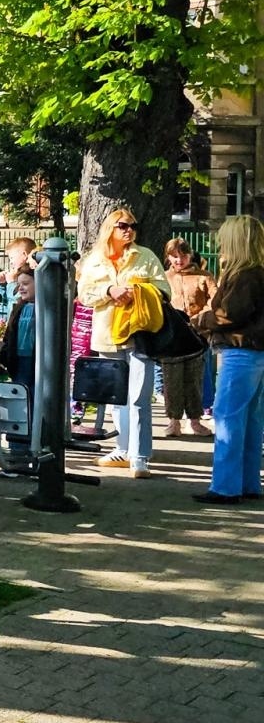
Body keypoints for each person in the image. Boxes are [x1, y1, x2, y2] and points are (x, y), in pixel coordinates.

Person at [77, 210, 170, 479]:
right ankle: (123, 448)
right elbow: (84, 294)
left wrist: (138, 292)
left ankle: (139, 457)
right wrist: (109, 291)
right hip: (108, 335)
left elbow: (165, 291)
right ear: (110, 228)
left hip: (140, 335)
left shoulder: (145, 256)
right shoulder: (95, 260)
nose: (129, 230)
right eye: (123, 226)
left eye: (133, 226)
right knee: (116, 396)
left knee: (139, 397)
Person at [191, 215, 264, 504]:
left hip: (240, 351)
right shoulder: (257, 272)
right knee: (251, 419)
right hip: (256, 351)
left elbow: (230, 315)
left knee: (227, 417)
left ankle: (225, 487)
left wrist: (201, 320)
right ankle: (248, 483)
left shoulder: (243, 275)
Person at [162, 238, 213, 438]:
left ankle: (195, 421)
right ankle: (173, 421)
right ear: (168, 257)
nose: (179, 260)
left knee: (195, 379)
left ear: (190, 255)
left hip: (197, 336)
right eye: (174, 256)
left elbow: (215, 301)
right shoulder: (164, 278)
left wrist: (200, 318)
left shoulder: (204, 277)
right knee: (172, 380)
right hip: (172, 337)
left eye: (183, 256)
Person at [0, 237, 37, 313]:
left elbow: (18, 301)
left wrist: (11, 283)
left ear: (24, 255)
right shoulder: (18, 274)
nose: (10, 262)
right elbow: (8, 299)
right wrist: (3, 284)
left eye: (12, 258)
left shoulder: (30, 274)